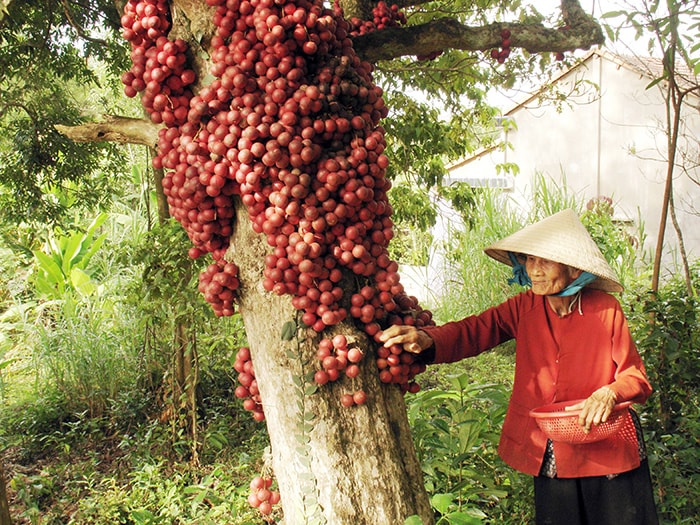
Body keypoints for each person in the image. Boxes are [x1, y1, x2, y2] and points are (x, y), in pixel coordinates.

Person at [379, 209, 658, 525]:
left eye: (545, 261)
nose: (535, 270)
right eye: (529, 260)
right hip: (555, 450)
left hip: (608, 450)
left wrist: (610, 392)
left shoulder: (605, 309)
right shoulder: (523, 307)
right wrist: (427, 339)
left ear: (572, 268)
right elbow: (473, 330)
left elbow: (635, 377)